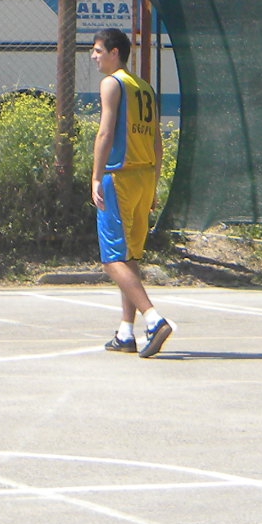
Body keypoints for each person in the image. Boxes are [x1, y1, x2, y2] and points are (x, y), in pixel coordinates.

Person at [90, 27, 173, 357]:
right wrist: (154, 184)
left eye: (98, 50)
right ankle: (126, 333)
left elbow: (105, 132)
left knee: (112, 261)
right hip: (143, 177)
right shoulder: (144, 88)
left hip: (120, 177)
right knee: (129, 258)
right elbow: (157, 141)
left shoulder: (113, 83)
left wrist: (96, 177)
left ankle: (153, 319)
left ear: (114, 53)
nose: (94, 56)